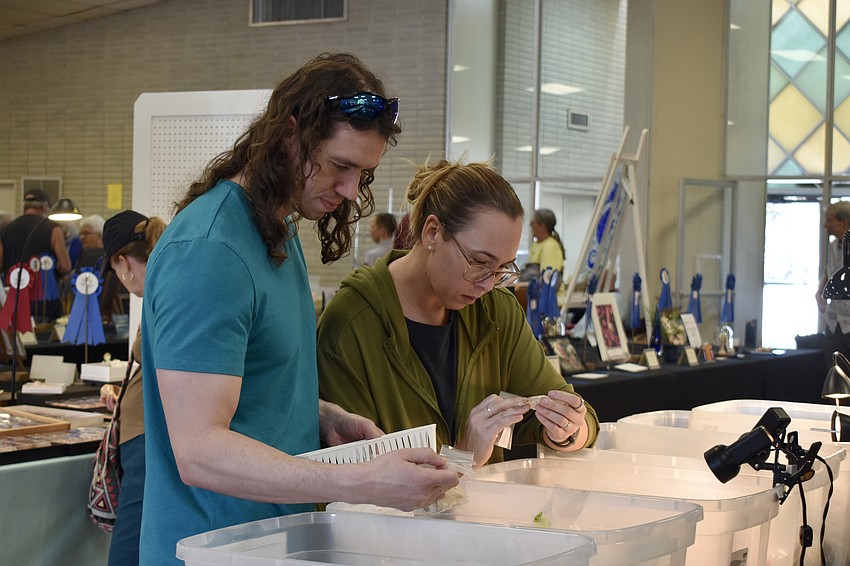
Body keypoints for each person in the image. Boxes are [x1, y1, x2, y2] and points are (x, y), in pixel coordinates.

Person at [139, 53, 458, 565]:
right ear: (290, 136)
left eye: (363, 172)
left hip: (273, 543)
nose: (352, 189)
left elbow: (247, 393)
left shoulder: (278, 230)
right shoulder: (210, 252)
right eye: (340, 166)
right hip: (211, 548)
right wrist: (357, 481)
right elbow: (199, 450)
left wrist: (322, 418)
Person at [317, 159, 599, 467]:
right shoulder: (352, 323)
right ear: (432, 232)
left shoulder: (496, 311)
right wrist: (463, 459)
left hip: (485, 513)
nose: (488, 284)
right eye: (479, 262)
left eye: (502, 269)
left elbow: (579, 418)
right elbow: (355, 488)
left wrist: (568, 430)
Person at [98, 210, 166, 566]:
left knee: (130, 541)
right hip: (152, 431)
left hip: (146, 436)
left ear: (123, 262)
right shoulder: (169, 282)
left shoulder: (162, 290)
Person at [0, 189, 72, 321]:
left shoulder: (5, 230)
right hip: (45, 304)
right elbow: (65, 266)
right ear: (45, 206)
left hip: (13, 303)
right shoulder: (53, 229)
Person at [528, 208, 565, 273]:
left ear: (542, 227)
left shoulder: (550, 246)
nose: (530, 225)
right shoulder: (535, 244)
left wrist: (517, 284)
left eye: (533, 222)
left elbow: (546, 280)